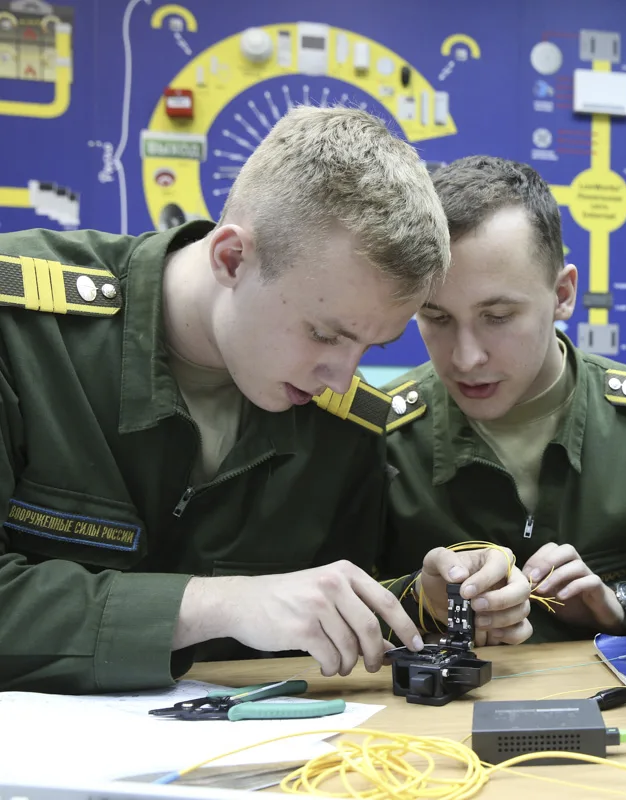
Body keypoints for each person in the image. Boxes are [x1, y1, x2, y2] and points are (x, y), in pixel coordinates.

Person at [0, 105, 519, 694]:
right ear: (231, 258)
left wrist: (423, 599)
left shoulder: (345, 423)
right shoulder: (23, 331)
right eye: (326, 334)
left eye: (372, 346)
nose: (342, 379)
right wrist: (215, 604)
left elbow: (320, 612)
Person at [381, 155, 626, 642]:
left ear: (564, 294)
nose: (465, 357)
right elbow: (321, 606)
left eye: (499, 316)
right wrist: (419, 598)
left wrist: (624, 606)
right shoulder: (378, 435)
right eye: (436, 318)